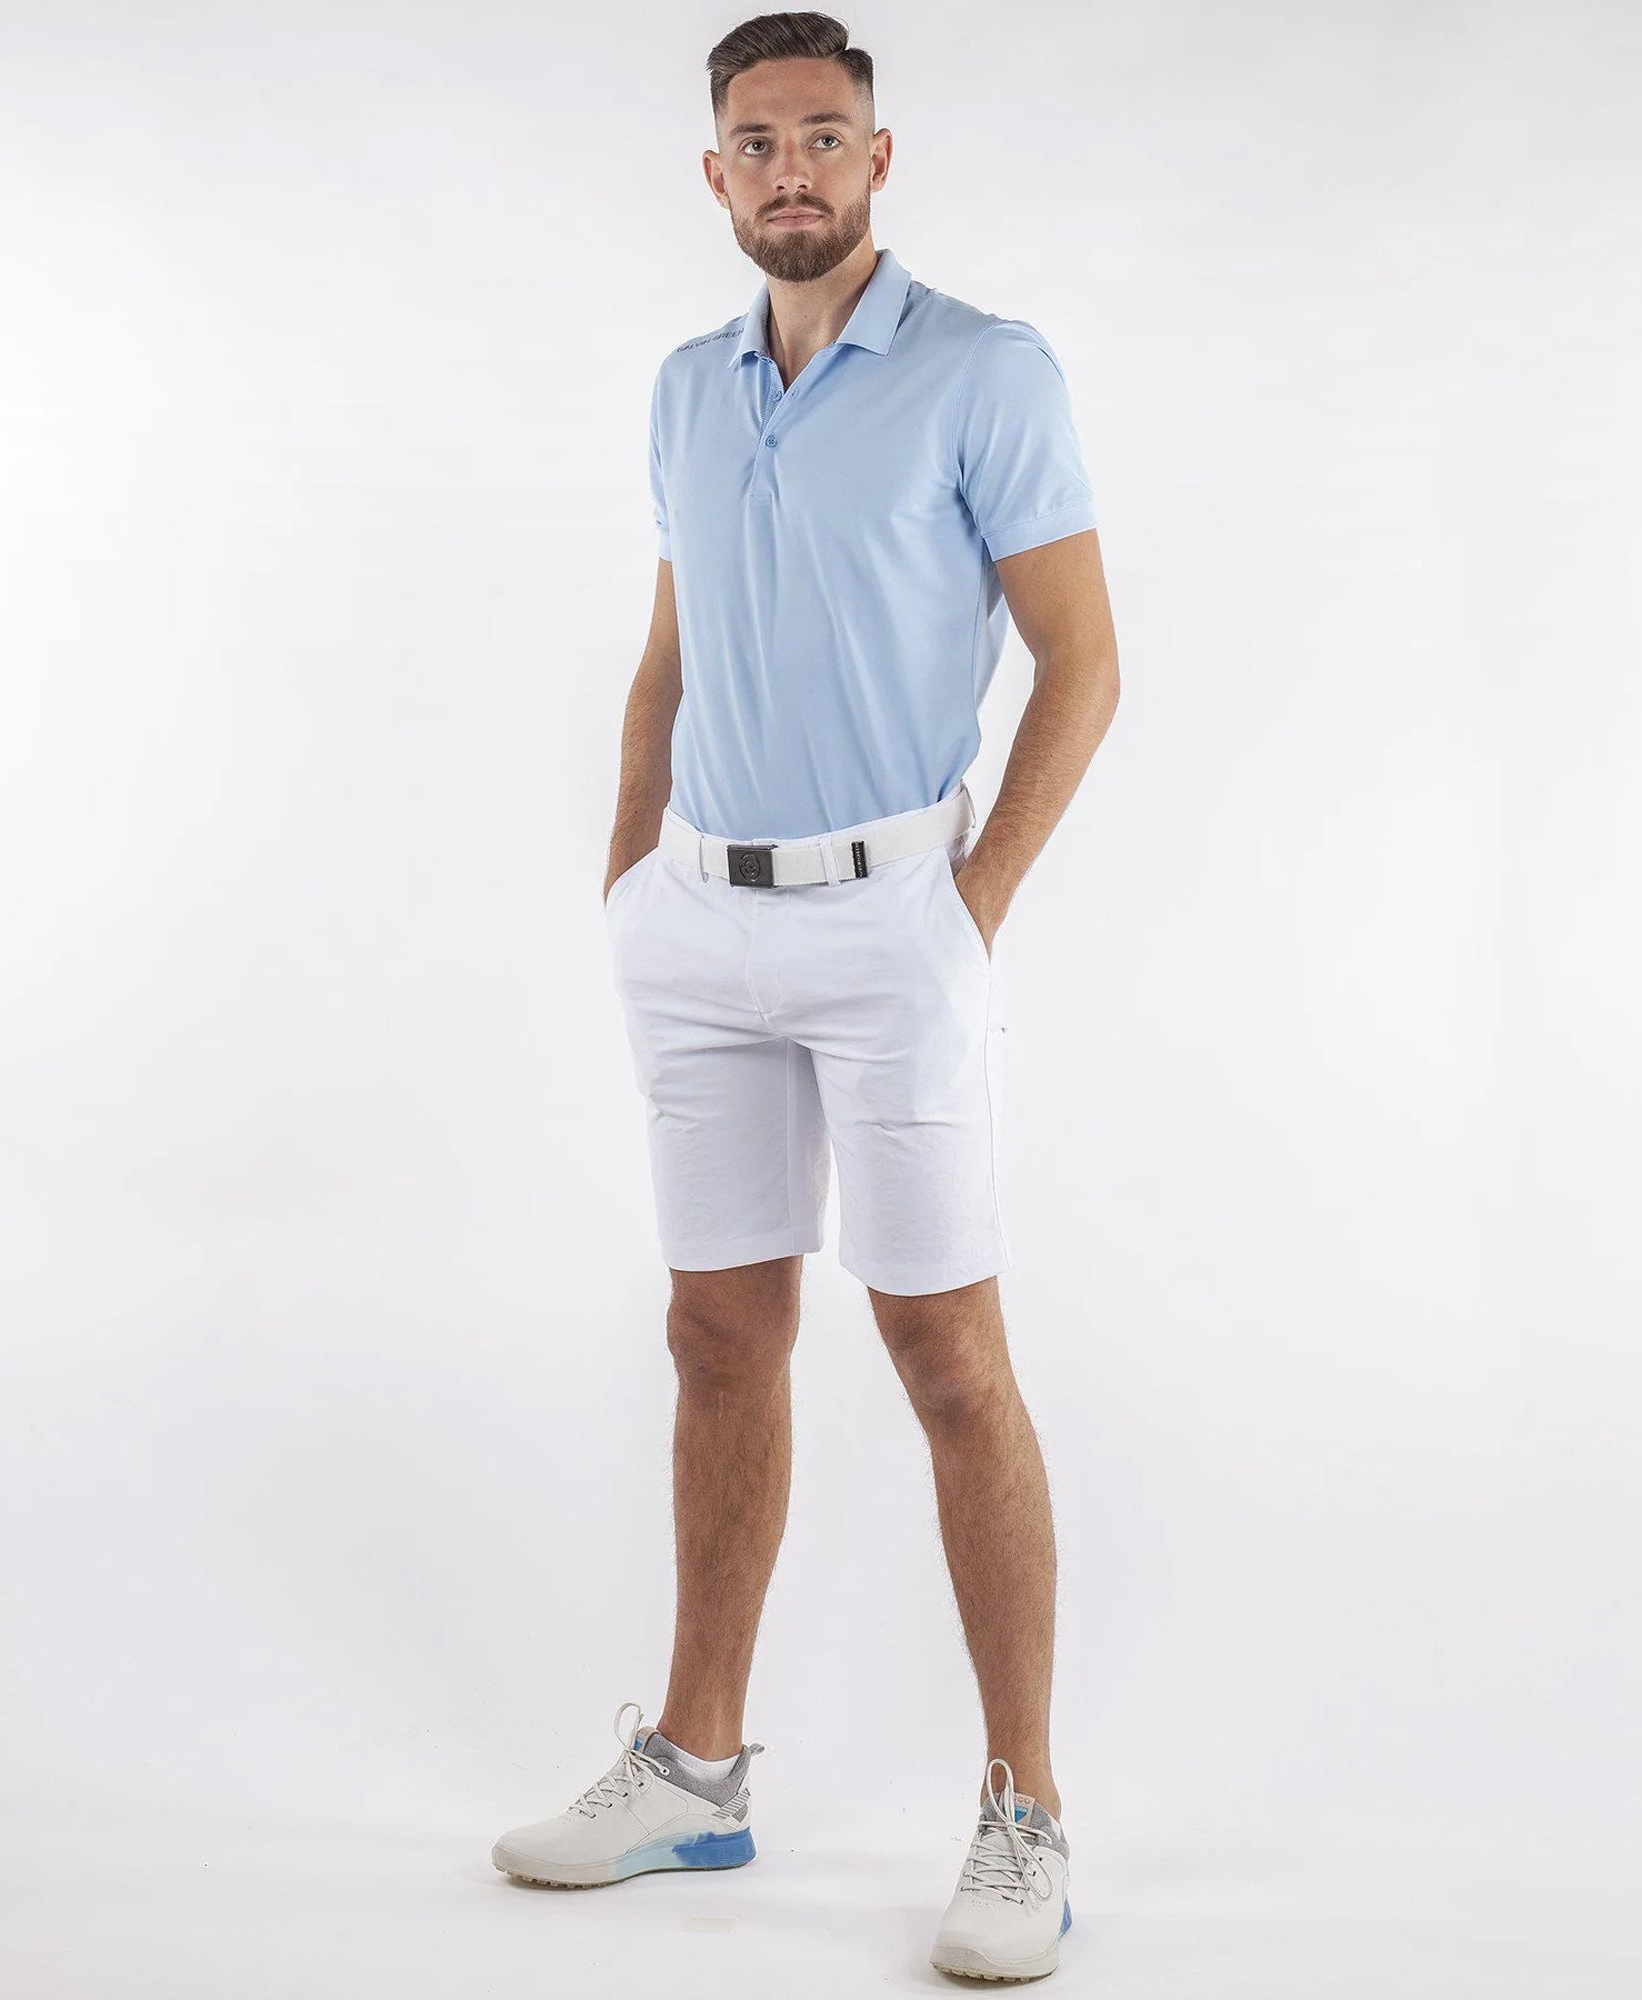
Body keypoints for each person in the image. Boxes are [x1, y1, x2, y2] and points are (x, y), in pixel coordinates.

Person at [491, 12, 1118, 1982]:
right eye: (757, 142)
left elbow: (1083, 662)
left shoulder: (984, 371)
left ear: (877, 159)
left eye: (824, 136)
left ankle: (1024, 1809)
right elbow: (667, 652)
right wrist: (628, 872)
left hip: (890, 918)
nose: (791, 169)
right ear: (715, 174)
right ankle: (696, 1768)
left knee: (947, 1356)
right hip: (698, 926)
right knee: (715, 1334)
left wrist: (969, 908)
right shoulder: (689, 389)